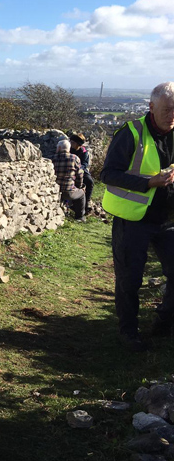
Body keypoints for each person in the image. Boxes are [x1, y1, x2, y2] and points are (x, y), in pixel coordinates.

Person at [100, 81, 174, 352]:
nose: (172, 115)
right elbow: (108, 174)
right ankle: (129, 333)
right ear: (151, 107)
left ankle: (164, 324)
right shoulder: (131, 133)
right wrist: (149, 182)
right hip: (133, 220)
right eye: (167, 109)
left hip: (169, 220)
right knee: (130, 278)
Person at [52, 139, 86, 221]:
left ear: (59, 148)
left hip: (55, 190)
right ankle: (80, 216)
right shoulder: (75, 158)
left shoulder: (52, 158)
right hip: (68, 191)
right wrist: (80, 186)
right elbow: (80, 174)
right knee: (82, 194)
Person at [70, 132, 94, 212]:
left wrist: (78, 170)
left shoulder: (84, 152)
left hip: (81, 171)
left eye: (73, 142)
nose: (71, 143)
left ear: (78, 144)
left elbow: (85, 164)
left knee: (89, 182)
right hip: (70, 170)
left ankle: (86, 203)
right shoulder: (69, 149)